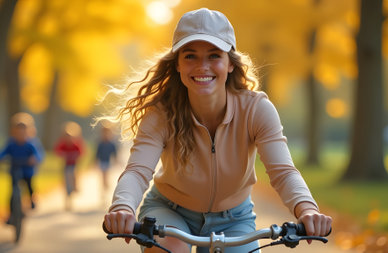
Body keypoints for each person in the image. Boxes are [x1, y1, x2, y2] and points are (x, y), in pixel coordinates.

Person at [103, 8, 332, 253]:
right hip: (169, 210)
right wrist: (123, 207)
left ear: (230, 64)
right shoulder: (161, 113)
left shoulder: (257, 110)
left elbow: (283, 172)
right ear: (177, 64)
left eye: (214, 56)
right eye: (190, 56)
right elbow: (138, 171)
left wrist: (307, 208)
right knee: (170, 249)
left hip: (234, 218)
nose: (202, 66)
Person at [0, 115, 42, 221]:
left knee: (29, 186)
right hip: (14, 169)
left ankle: (32, 200)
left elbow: (38, 155)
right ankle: (11, 215)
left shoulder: (30, 145)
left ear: (28, 132)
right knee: (13, 192)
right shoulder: (11, 143)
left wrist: (34, 159)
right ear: (14, 132)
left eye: (23, 132)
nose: (20, 134)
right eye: (18, 132)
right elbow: (2, 152)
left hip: (27, 171)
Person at [54, 121, 84, 211]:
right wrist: (63, 154)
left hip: (74, 165)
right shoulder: (62, 144)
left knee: (74, 175)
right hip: (66, 166)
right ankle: (68, 199)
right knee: (66, 181)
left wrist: (76, 155)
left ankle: (75, 186)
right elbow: (57, 151)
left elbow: (81, 152)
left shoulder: (75, 145)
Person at [95, 120, 119, 195]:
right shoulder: (100, 143)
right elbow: (97, 153)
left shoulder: (111, 144)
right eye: (104, 133)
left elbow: (114, 153)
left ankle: (106, 184)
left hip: (108, 162)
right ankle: (104, 185)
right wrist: (95, 161)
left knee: (106, 174)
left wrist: (116, 160)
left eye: (107, 133)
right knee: (103, 175)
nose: (105, 135)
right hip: (102, 162)